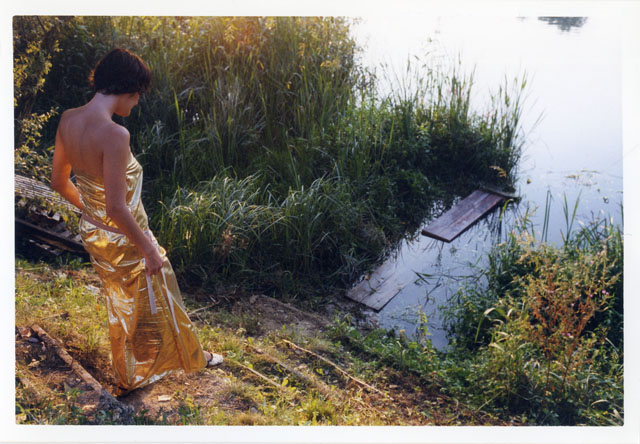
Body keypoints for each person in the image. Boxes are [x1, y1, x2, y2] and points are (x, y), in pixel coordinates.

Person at [51, 48, 222, 395]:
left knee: (123, 302)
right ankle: (184, 358)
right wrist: (149, 249)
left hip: (94, 231)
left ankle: (141, 367)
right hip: (123, 236)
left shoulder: (68, 119)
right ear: (128, 89)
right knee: (158, 288)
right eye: (138, 94)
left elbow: (59, 182)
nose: (138, 102)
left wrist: (92, 214)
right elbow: (117, 206)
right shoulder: (115, 134)